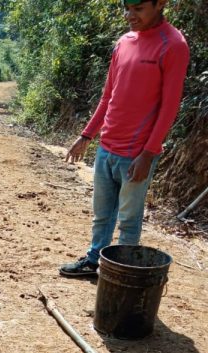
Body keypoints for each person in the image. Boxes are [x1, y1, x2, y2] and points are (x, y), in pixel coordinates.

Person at [60, 0, 189, 278]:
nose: (130, 15)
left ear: (160, 4)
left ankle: (121, 272)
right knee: (102, 214)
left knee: (129, 220)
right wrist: (87, 135)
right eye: (126, 8)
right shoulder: (124, 42)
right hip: (107, 147)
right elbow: (108, 96)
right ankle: (95, 261)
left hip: (136, 153)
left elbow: (169, 107)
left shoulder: (173, 45)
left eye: (139, 8)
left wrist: (149, 153)